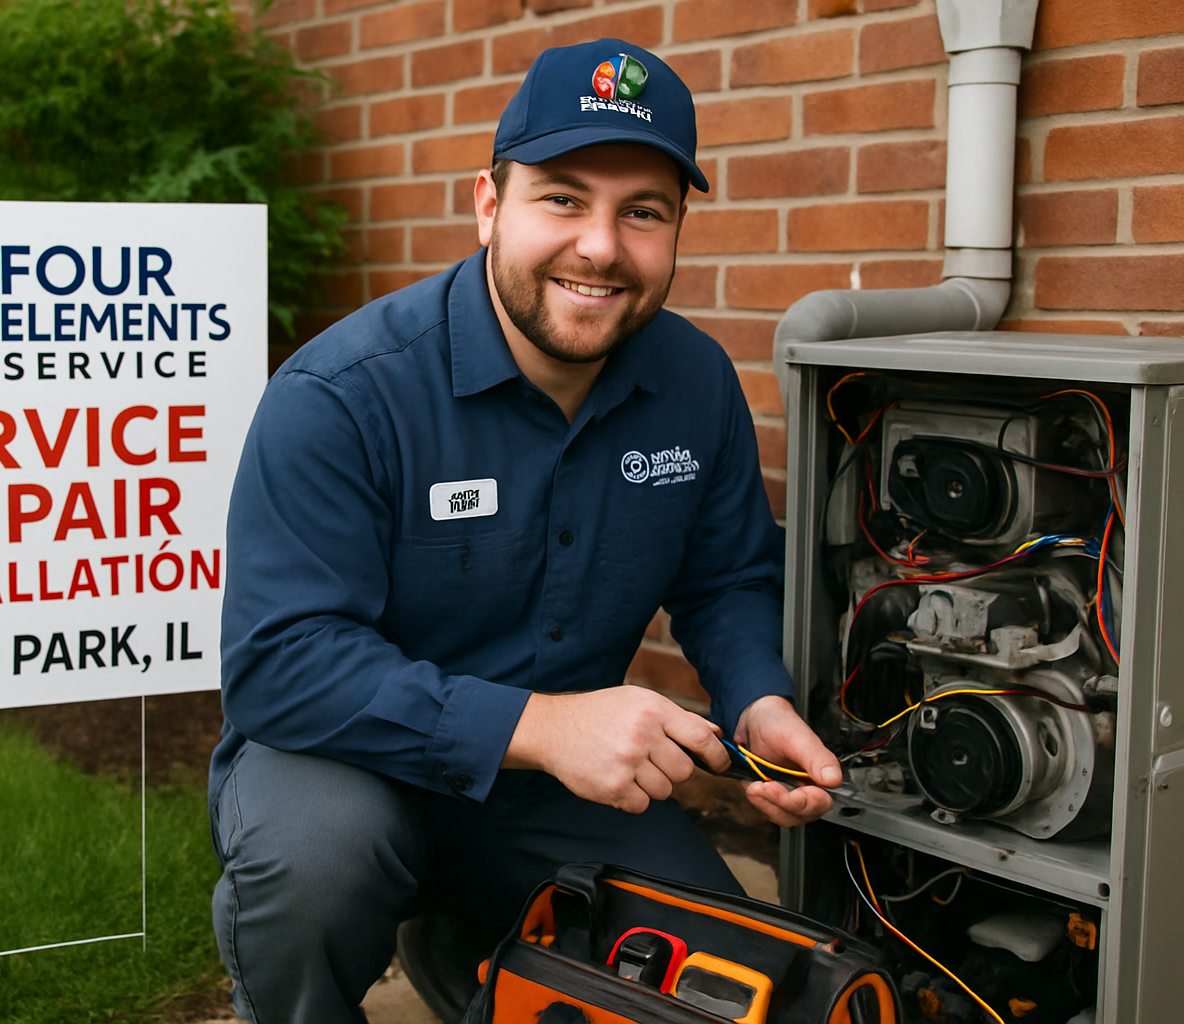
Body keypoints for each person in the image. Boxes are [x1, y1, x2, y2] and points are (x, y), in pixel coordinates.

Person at [208, 38, 841, 1024]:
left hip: (551, 785)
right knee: (321, 862)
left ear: (678, 229)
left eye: (643, 212)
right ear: (488, 203)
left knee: (715, 975)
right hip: (342, 763)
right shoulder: (341, 396)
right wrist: (541, 724)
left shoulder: (696, 383)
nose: (600, 245)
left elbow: (726, 578)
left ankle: (469, 941)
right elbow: (282, 664)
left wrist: (758, 697)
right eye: (562, 197)